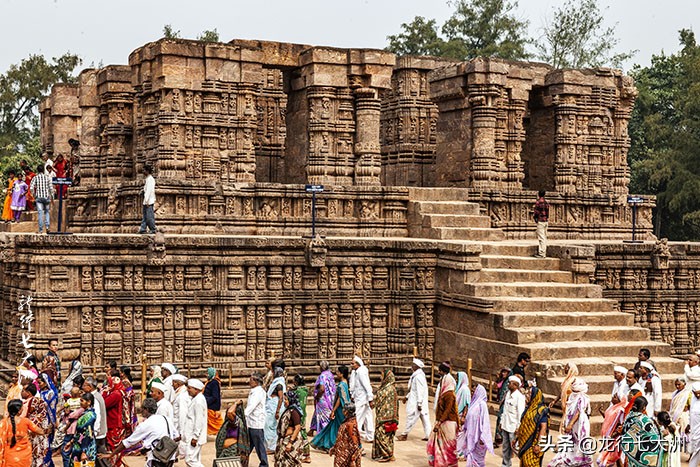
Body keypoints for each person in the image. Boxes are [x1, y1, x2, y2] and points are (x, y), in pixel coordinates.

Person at [101, 398, 176, 467]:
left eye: (142, 408)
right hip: (170, 456)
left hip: (157, 459)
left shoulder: (146, 424)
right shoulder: (165, 419)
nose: (140, 410)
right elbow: (177, 436)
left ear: (146, 409)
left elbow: (128, 442)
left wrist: (111, 454)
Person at [548, 378, 591, 467]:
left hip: (579, 424)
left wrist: (570, 424)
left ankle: (580, 459)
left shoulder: (583, 398)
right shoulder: (572, 396)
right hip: (570, 422)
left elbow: (578, 412)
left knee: (579, 440)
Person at [312, 365, 352, 452]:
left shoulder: (341, 385)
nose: (336, 374)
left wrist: (333, 410)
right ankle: (327, 443)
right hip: (344, 409)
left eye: (338, 372)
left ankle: (331, 444)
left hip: (341, 410)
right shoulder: (346, 383)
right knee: (332, 427)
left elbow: (339, 399)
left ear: (341, 374)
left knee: (338, 427)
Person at [427, 369, 459, 467]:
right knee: (436, 443)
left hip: (448, 422)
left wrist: (439, 422)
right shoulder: (444, 393)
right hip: (443, 421)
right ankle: (439, 461)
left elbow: (448, 410)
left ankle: (449, 463)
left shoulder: (449, 395)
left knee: (448, 445)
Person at [0, 399, 45, 467]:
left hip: (8, 457)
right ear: (19, 411)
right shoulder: (25, 421)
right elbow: (40, 431)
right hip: (24, 457)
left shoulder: (3, 423)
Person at [457, 385, 493, 467]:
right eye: (472, 391)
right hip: (471, 436)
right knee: (471, 457)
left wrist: (482, 437)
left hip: (479, 438)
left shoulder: (482, 405)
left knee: (478, 460)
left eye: (474, 391)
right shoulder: (473, 404)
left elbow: (485, 422)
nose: (472, 393)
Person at [621, 396, 662, 467]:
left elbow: (624, 432)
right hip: (643, 455)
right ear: (644, 408)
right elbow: (654, 436)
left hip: (632, 452)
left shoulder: (629, 416)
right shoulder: (645, 420)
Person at [398, 358, 431, 442]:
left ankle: (404, 434)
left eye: (413, 365)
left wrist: (419, 403)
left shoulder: (418, 377)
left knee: (411, 417)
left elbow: (419, 391)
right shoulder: (416, 376)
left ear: (417, 367)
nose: (412, 366)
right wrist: (407, 397)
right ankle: (429, 435)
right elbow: (413, 389)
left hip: (417, 402)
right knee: (425, 418)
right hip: (415, 400)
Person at [515, 386, 549, 467]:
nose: (527, 395)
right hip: (523, 441)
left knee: (530, 464)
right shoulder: (529, 408)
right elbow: (523, 424)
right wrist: (516, 438)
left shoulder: (541, 411)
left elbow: (543, 428)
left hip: (533, 442)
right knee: (524, 462)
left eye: (529, 393)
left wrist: (539, 444)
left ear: (535, 396)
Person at [275, 390, 307, 467]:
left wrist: (290, 443)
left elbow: (297, 427)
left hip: (290, 441)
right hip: (283, 440)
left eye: (286, 399)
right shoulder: (288, 410)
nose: (284, 402)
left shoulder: (294, 412)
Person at [372, 369, 399, 462]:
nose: (380, 376)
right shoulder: (393, 389)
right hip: (392, 417)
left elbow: (379, 401)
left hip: (383, 417)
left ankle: (387, 454)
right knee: (389, 437)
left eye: (382, 374)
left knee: (381, 435)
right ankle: (387, 453)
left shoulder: (386, 389)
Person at [22, 383, 50, 467]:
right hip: (34, 433)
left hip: (34, 434)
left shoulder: (34, 401)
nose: (21, 392)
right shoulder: (27, 402)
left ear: (28, 393)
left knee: (36, 456)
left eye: (23, 390)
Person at [83, 376, 109, 467]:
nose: (83, 387)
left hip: (97, 433)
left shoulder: (95, 398)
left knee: (100, 457)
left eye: (85, 385)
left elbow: (97, 416)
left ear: (90, 387)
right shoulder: (96, 396)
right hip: (98, 432)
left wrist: (95, 431)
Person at [500, 376, 525, 467]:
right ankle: (506, 465)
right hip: (506, 425)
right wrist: (501, 422)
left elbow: (520, 413)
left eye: (510, 383)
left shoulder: (519, 397)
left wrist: (518, 427)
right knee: (505, 447)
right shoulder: (508, 394)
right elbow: (505, 410)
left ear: (515, 385)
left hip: (513, 427)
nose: (508, 384)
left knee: (516, 448)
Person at [596, 393, 628, 467]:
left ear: (619, 400)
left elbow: (620, 423)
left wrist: (615, 433)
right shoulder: (613, 408)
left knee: (612, 457)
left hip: (615, 437)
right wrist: (603, 413)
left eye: (615, 397)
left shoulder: (620, 410)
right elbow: (610, 419)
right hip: (609, 436)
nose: (613, 398)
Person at [215, 401, 251, 466]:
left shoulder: (236, 422)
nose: (227, 411)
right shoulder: (228, 423)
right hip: (225, 452)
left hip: (232, 452)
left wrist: (235, 404)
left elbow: (230, 413)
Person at [245, 373, 269, 467]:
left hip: (256, 423)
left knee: (259, 446)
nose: (249, 382)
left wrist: (243, 415)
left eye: (251, 380)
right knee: (248, 445)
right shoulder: (254, 391)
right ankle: (242, 461)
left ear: (256, 382)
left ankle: (264, 464)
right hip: (251, 422)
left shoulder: (258, 392)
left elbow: (251, 406)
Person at [349, 356, 375, 443]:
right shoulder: (356, 372)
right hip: (361, 398)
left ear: (357, 364)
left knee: (358, 417)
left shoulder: (361, 372)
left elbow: (367, 385)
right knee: (367, 417)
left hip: (362, 399)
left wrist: (370, 398)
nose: (351, 365)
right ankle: (370, 436)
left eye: (353, 363)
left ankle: (356, 436)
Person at [183, 379, 208, 467]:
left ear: (196, 389)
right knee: (195, 460)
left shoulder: (198, 401)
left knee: (190, 460)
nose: (188, 390)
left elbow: (199, 420)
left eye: (190, 388)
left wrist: (195, 437)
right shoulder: (196, 399)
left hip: (194, 435)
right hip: (192, 433)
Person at [69, 393, 98, 465]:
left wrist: (84, 452)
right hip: (79, 444)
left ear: (88, 402)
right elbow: (80, 432)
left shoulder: (90, 416)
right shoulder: (85, 413)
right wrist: (72, 441)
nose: (80, 402)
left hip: (85, 446)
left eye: (82, 401)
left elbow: (88, 433)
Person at [310, 361, 336, 436]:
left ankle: (325, 433)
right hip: (330, 398)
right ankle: (313, 428)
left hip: (323, 398)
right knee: (318, 413)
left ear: (321, 367)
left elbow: (322, 389)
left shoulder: (322, 376)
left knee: (324, 416)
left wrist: (317, 396)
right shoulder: (330, 374)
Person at [38, 372, 59, 466]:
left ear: (46, 382)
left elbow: (52, 409)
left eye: (40, 383)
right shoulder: (40, 393)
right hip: (40, 421)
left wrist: (52, 423)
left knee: (47, 444)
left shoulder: (50, 394)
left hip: (48, 421)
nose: (39, 385)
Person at [102, 370, 125, 454]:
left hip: (113, 422)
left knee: (112, 447)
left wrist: (104, 392)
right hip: (114, 421)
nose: (108, 385)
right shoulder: (119, 391)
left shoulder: (115, 394)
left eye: (109, 383)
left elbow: (104, 404)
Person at [265, 366, 286, 452]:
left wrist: (277, 411)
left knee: (271, 426)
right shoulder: (276, 383)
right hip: (271, 406)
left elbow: (281, 398)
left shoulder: (279, 384)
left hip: (274, 407)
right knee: (267, 425)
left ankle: (272, 447)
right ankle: (269, 445)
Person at [293, 374, 311, 464]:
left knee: (302, 434)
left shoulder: (298, 391)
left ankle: (307, 455)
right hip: (302, 413)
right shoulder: (304, 390)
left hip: (299, 414)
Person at [30, 164, 54, 234]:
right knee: (47, 212)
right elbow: (51, 188)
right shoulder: (47, 177)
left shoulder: (35, 177)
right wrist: (52, 197)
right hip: (46, 197)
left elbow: (31, 187)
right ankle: (47, 227)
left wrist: (34, 195)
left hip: (39, 197)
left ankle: (40, 230)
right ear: (43, 170)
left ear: (37, 170)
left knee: (40, 213)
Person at [172, 374, 190, 459]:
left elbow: (182, 413)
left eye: (174, 383)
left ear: (178, 384)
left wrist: (181, 431)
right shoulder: (179, 393)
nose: (172, 385)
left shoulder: (182, 396)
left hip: (179, 426)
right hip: (176, 425)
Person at [205, 367, 224, 435]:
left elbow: (215, 396)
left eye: (207, 373)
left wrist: (206, 401)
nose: (206, 375)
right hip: (209, 406)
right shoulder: (209, 382)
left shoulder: (214, 383)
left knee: (216, 424)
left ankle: (224, 433)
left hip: (212, 406)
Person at [139, 164, 157, 234]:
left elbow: (149, 190)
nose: (143, 171)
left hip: (149, 201)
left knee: (149, 216)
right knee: (145, 216)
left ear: (147, 171)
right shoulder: (148, 179)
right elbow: (146, 189)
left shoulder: (150, 179)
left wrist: (146, 201)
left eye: (144, 170)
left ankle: (153, 229)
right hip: (146, 200)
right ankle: (143, 229)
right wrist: (142, 191)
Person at [533, 190, 549, 258]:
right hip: (545, 221)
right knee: (544, 237)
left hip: (540, 221)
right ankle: (543, 252)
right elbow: (547, 213)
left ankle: (542, 253)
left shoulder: (538, 203)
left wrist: (535, 218)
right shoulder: (546, 203)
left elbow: (536, 212)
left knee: (541, 238)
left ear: (538, 194)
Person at [689, 382, 700, 467]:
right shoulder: (693, 399)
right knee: (695, 452)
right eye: (697, 394)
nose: (698, 395)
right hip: (694, 430)